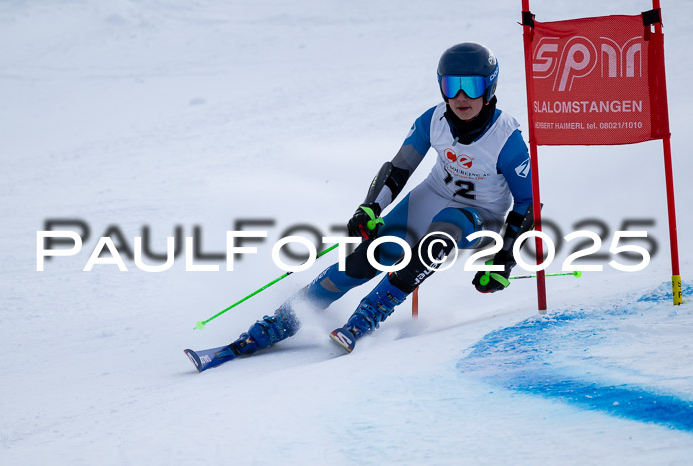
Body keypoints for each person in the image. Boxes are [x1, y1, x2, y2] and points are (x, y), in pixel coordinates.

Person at [224, 42, 533, 357]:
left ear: (490, 86)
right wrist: (370, 207)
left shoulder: (507, 140)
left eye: (471, 85)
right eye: (451, 86)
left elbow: (527, 204)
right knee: (368, 256)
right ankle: (282, 320)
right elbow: (399, 168)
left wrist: (504, 260)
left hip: (482, 216)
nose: (461, 97)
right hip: (435, 194)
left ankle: (369, 314)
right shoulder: (433, 120)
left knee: (442, 232)